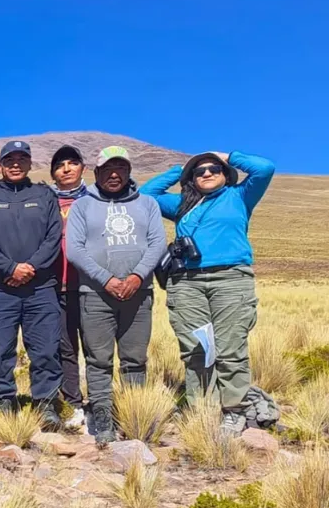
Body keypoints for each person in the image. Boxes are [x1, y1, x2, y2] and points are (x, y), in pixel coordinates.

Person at [142, 149, 276, 434]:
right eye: (199, 171)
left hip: (231, 280)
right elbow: (147, 195)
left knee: (230, 348)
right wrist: (181, 169)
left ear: (225, 174)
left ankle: (234, 410)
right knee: (196, 349)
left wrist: (228, 156)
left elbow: (264, 168)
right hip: (187, 283)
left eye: (213, 169)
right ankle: (202, 407)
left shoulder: (239, 196)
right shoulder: (181, 204)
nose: (206, 173)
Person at [65, 147, 167, 445]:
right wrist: (106, 279)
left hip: (139, 294)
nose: (114, 174)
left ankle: (134, 418)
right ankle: (103, 420)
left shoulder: (147, 204)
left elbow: (157, 243)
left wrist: (137, 277)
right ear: (96, 173)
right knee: (98, 360)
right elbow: (75, 250)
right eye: (107, 169)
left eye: (120, 168)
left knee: (134, 360)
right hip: (96, 295)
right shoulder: (83, 206)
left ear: (128, 171)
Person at [0, 140, 64, 427]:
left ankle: (45, 404)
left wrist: (30, 267)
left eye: (22, 159)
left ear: (30, 164)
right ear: (0, 166)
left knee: (45, 350)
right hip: (0, 290)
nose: (15, 164)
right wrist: (10, 268)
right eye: (9, 160)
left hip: (40, 288)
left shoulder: (44, 196)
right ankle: (2, 402)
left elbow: (53, 237)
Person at [49, 146, 89, 429]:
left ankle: (101, 403)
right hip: (55, 286)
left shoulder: (97, 199)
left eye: (72, 163)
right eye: (60, 164)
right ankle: (73, 403)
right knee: (65, 349)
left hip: (91, 287)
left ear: (83, 168)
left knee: (96, 349)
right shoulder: (45, 200)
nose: (66, 169)